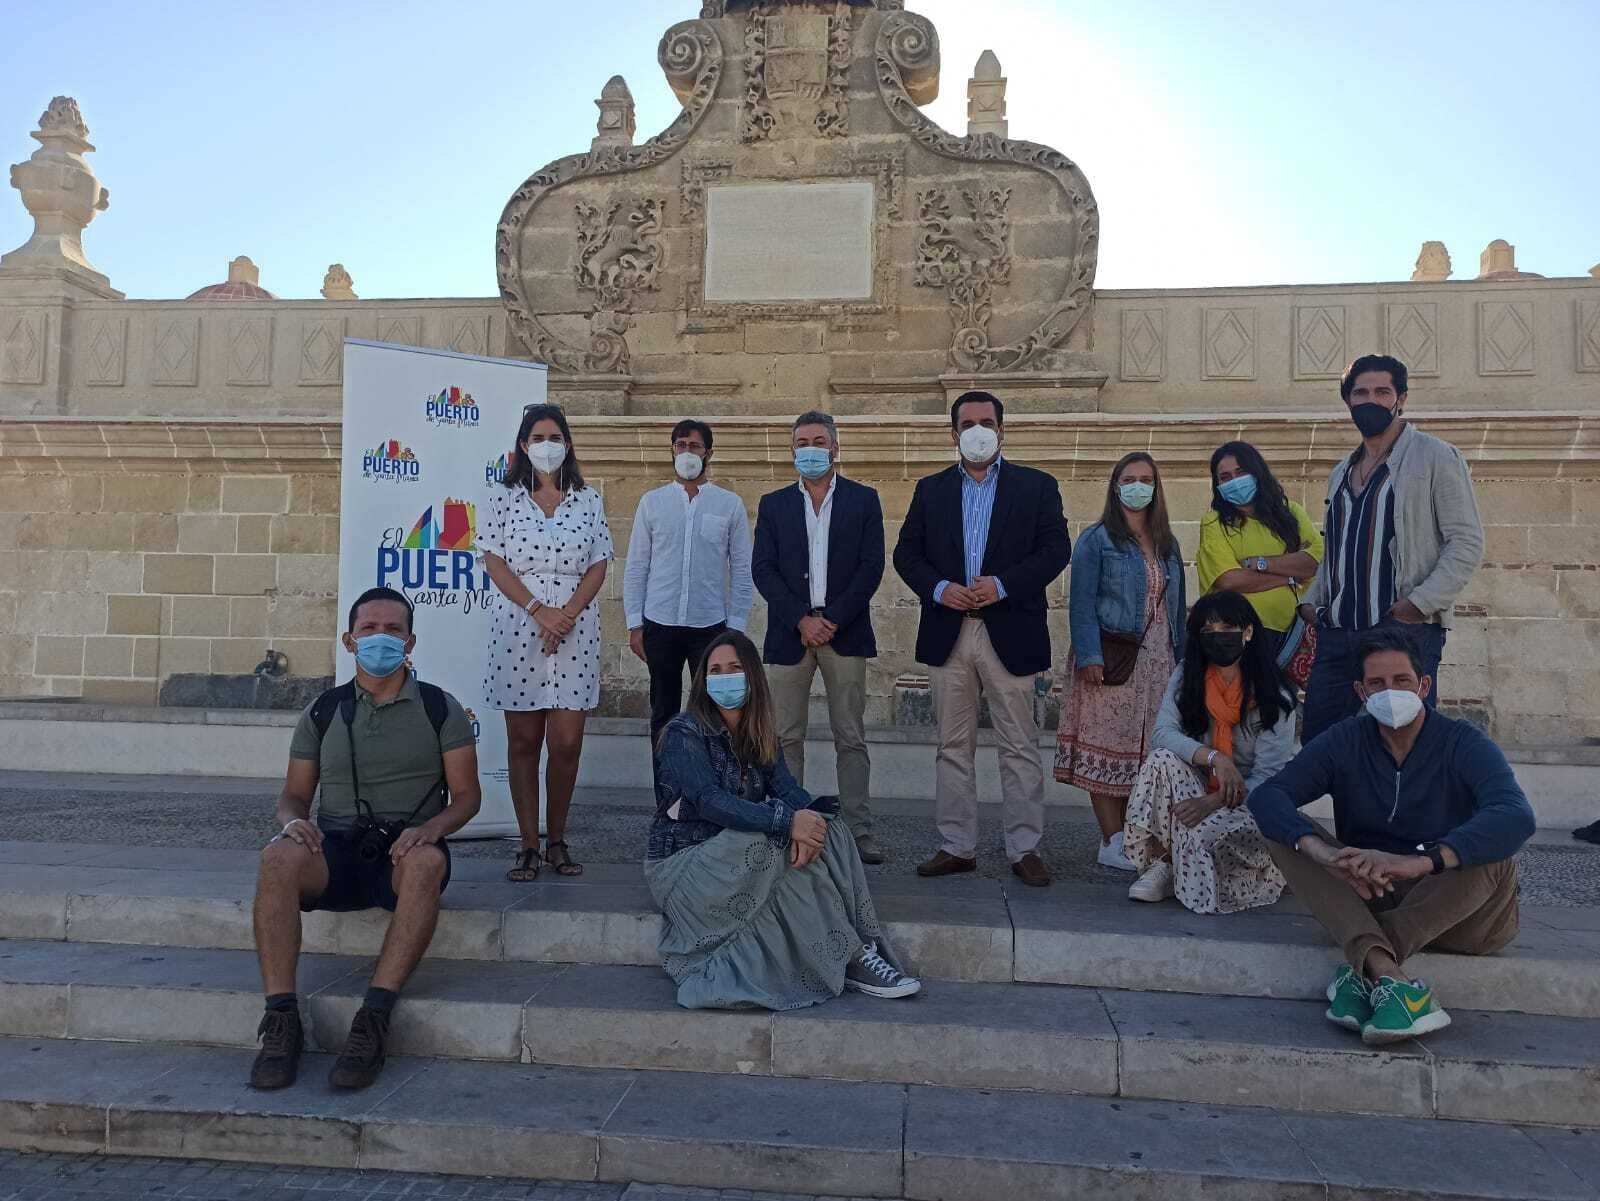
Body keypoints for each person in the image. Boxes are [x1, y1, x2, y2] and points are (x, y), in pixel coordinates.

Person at [1249, 628, 1534, 1045]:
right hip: (1373, 894)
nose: (1390, 691)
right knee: (1286, 834)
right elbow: (1269, 796)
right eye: (1377, 684)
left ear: (1423, 685)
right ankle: (1391, 981)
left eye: (1401, 681)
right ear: (1360, 692)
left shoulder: (1462, 742)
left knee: (1495, 851)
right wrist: (1327, 856)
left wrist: (1420, 862)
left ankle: (1366, 966)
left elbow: (1516, 815)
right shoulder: (1345, 740)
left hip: (1461, 913)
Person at [250, 587, 481, 1091]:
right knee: (275, 858)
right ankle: (280, 1020)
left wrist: (430, 830)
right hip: (334, 849)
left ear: (411, 641)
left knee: (426, 863)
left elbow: (466, 797)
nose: (381, 638)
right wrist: (292, 823)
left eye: (393, 629)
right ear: (349, 640)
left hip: (404, 850)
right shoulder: (323, 710)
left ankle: (373, 1018)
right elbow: (292, 795)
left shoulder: (442, 709)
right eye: (369, 629)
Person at [646, 631, 921, 1009]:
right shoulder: (684, 732)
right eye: (715, 670)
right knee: (771, 841)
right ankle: (853, 957)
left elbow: (788, 790)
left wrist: (810, 820)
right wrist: (787, 823)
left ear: (752, 676)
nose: (724, 677)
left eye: (734, 668)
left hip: (734, 853)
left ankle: (852, 948)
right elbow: (711, 802)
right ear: (703, 679)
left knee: (831, 829)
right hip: (686, 862)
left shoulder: (759, 732)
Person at [893, 390, 1072, 887]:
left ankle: (1025, 847)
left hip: (1009, 626)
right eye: (968, 422)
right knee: (953, 744)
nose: (978, 430)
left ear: (1001, 428)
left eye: (986, 421)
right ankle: (957, 845)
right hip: (949, 631)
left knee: (1019, 743)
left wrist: (1003, 583)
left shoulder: (1036, 486)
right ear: (952, 433)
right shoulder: (930, 490)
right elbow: (906, 554)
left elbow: (1056, 548)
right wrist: (939, 588)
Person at [1298, 354, 1484, 743]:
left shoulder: (1435, 457)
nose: (1371, 400)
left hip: (1402, 632)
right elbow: (1336, 550)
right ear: (1347, 400)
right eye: (1360, 392)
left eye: (1382, 391)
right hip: (1338, 634)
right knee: (1324, 745)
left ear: (1400, 398)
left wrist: (1417, 605)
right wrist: (1312, 605)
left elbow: (1466, 542)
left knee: (1404, 744)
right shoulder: (1341, 472)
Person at [480, 404, 613, 881]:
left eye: (555, 436)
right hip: (520, 626)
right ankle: (529, 844)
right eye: (537, 437)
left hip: (575, 631)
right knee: (523, 740)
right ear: (522, 446)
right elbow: (494, 562)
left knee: (567, 742)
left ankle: (558, 838)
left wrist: (567, 614)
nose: (546, 445)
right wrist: (541, 611)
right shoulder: (502, 498)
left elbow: (599, 562)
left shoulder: (588, 499)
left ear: (569, 444)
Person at [753, 411, 887, 864]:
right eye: (801, 442)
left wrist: (834, 618)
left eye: (818, 440)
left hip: (844, 633)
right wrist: (800, 619)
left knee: (850, 735)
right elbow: (764, 570)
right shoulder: (773, 505)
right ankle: (788, 822)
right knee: (785, 735)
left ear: (835, 447)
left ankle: (859, 832)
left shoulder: (863, 500)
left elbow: (871, 566)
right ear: (792, 450)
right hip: (791, 635)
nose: (810, 448)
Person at [1123, 591, 1294, 912]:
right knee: (1162, 760)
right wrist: (1216, 758)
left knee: (1203, 836)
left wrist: (1213, 801)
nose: (1218, 639)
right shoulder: (1189, 675)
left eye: (1226, 628)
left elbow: (1271, 776)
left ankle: (1189, 868)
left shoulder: (1276, 694)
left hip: (1251, 802)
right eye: (1208, 632)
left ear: (1248, 632)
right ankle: (1163, 862)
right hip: (1201, 783)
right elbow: (1162, 734)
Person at [1056, 452, 1186, 873]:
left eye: (1146, 478)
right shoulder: (1097, 539)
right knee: (1106, 749)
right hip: (1111, 658)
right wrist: (1089, 655)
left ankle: (1134, 834)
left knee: (1144, 752)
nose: (1138, 486)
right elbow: (1081, 604)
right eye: (1129, 478)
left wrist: (1183, 658)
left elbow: (1177, 607)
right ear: (1115, 486)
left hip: (1158, 661)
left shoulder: (1167, 542)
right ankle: (1110, 839)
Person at [624, 419, 755, 752]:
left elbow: (741, 569)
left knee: (714, 714)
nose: (687, 452)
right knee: (663, 714)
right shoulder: (651, 502)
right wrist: (634, 624)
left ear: (709, 452)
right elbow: (637, 565)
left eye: (694, 446)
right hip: (660, 623)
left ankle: (711, 796)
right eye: (680, 445)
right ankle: (666, 799)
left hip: (710, 626)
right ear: (672, 450)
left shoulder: (729, 505)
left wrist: (735, 628)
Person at [1196, 440, 1324, 660]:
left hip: (1292, 635)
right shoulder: (1214, 523)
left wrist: (1262, 563)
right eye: (1225, 477)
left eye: (1241, 472)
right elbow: (1229, 580)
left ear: (1257, 472)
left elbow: (1315, 562)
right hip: (1239, 637)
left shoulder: (1292, 512)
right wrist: (1290, 577)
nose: (1235, 481)